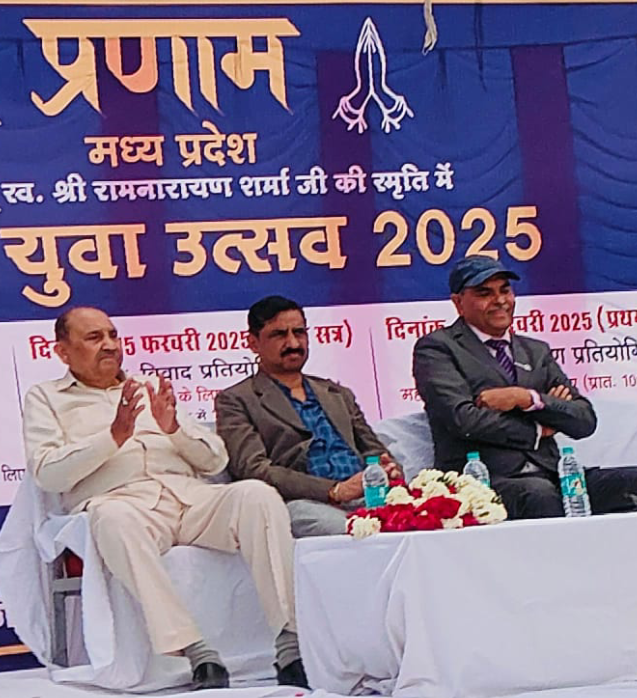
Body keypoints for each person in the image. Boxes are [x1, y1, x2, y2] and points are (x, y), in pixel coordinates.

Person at [23, 307, 307, 690]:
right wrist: (112, 437)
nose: (109, 345)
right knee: (111, 517)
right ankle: (197, 652)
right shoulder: (46, 398)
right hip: (126, 506)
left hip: (190, 499)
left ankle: (290, 645)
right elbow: (47, 472)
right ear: (62, 352)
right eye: (94, 338)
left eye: (112, 335)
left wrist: (174, 429)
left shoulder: (149, 387)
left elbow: (216, 460)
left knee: (256, 496)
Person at [412, 255, 637, 519]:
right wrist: (539, 429)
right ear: (458, 303)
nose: (499, 300)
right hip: (483, 481)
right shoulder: (437, 348)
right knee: (539, 495)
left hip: (553, 473)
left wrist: (527, 398)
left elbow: (584, 420)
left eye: (505, 290)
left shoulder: (535, 351)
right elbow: (464, 419)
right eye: (485, 293)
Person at [215, 295, 402, 537]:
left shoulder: (336, 393)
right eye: (279, 335)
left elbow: (373, 450)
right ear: (253, 343)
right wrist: (334, 490)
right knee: (355, 532)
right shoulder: (236, 400)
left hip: (367, 495)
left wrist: (387, 469)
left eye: (299, 332)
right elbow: (253, 469)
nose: (293, 343)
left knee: (431, 516)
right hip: (304, 503)